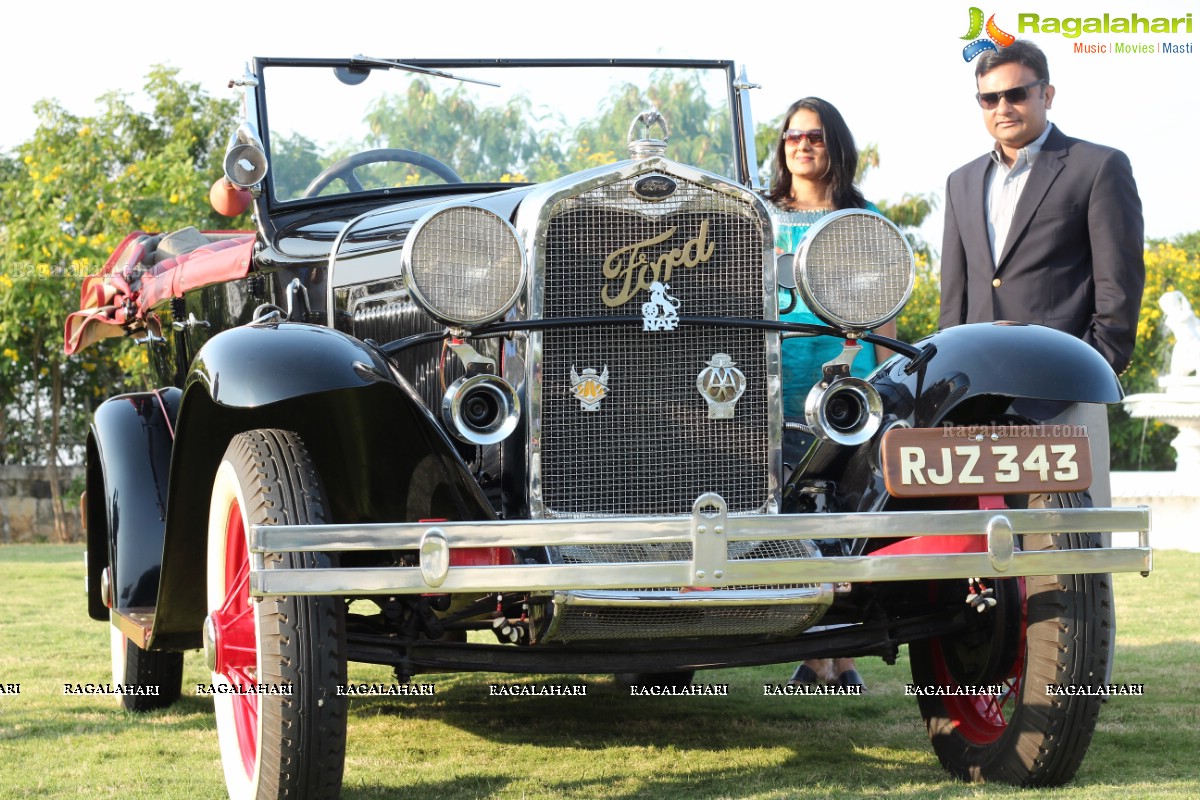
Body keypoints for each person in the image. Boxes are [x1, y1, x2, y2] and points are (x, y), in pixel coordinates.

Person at [939, 40, 1145, 516]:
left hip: (1065, 391)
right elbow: (957, 296)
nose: (1003, 107)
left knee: (1074, 552)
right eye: (989, 99)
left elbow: (1120, 284)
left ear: (1046, 95)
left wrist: (1094, 370)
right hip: (977, 401)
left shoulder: (1098, 166)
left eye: (1016, 94)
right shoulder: (961, 181)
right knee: (985, 548)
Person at [767, 97, 893, 688]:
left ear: (835, 145)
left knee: (848, 508)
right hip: (778, 375)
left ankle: (844, 654)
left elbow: (886, 314)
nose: (802, 145)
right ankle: (812, 650)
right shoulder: (757, 218)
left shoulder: (864, 220)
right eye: (792, 136)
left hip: (851, 376)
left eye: (814, 136)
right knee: (792, 505)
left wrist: (888, 381)